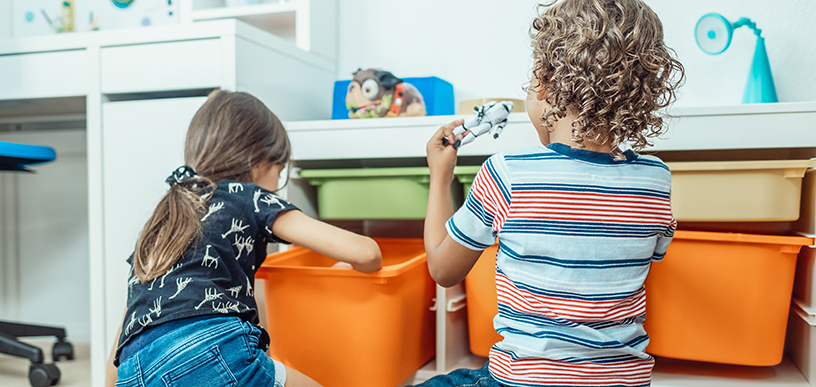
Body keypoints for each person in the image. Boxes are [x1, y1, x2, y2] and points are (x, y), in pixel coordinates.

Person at [418, 0, 684, 386]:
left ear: (542, 80)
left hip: (525, 379)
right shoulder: (655, 179)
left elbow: (442, 270)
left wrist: (440, 177)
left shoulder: (507, 174)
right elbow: (650, 255)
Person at [105, 90, 383, 387]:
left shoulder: (165, 217)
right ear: (258, 163)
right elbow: (366, 253)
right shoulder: (246, 195)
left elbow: (125, 331)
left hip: (133, 372)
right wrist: (350, 268)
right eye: (278, 171)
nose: (277, 184)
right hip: (212, 348)